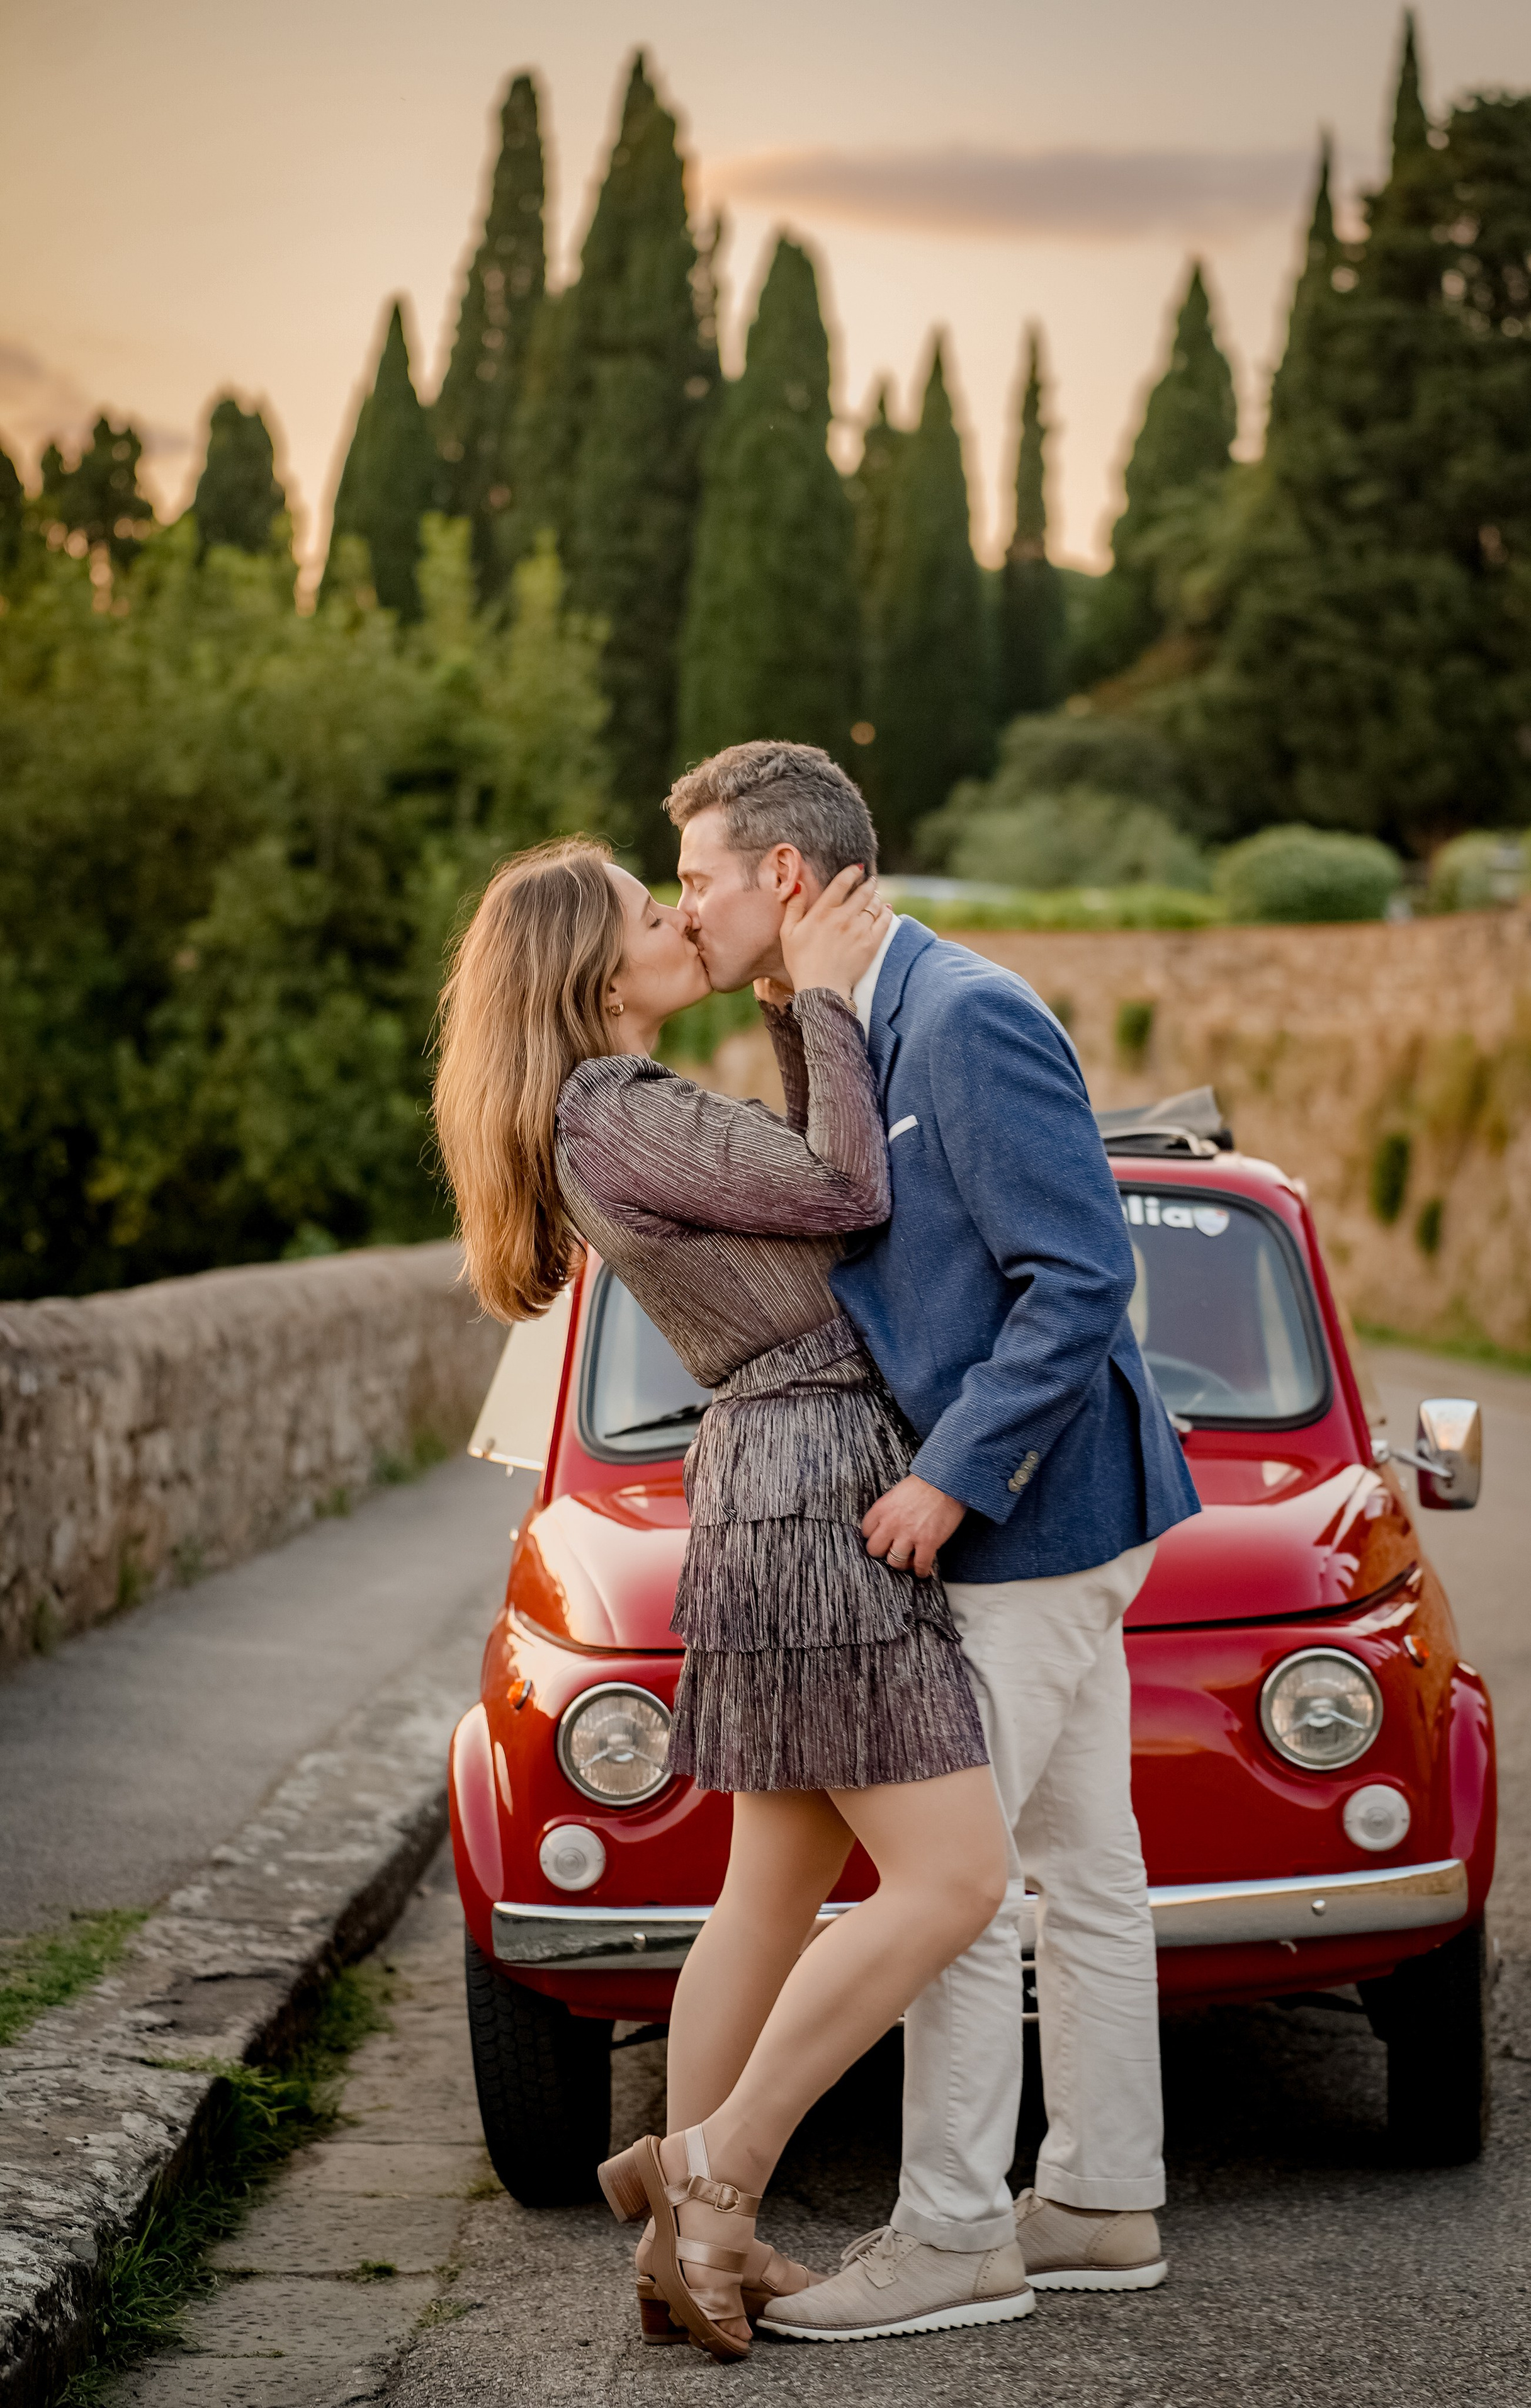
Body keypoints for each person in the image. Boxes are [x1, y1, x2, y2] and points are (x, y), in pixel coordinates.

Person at [432, 836, 1024, 2362]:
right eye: (650, 910)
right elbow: (838, 1182)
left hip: (772, 1478)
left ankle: (694, 2239)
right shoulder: (611, 1107)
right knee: (956, 1878)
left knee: (766, 1890)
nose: (676, 915)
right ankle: (714, 2167)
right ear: (594, 970)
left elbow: (777, 1180)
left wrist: (780, 997)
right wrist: (823, 994)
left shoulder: (603, 1116)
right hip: (813, 1478)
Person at [669, 742, 1200, 2341]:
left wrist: (953, 1480)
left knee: (944, 1876)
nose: (680, 909)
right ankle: (1102, 2197)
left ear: (780, 874)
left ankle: (956, 2232)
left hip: (1035, 1517)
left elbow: (1079, 1273)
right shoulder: (834, 1022)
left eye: (695, 877)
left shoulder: (961, 1016)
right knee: (1085, 1868)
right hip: (1068, 1515)